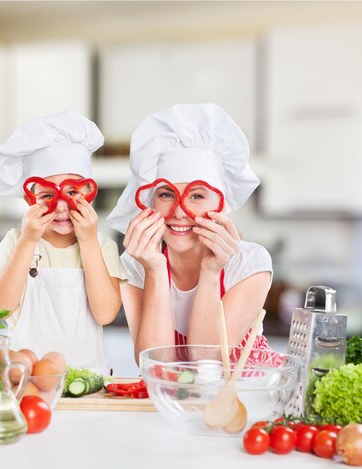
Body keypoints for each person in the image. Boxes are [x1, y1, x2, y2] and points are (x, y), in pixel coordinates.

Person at [107, 103, 272, 363]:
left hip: (243, 397)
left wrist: (211, 271)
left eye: (196, 196)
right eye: (165, 194)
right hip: (170, 399)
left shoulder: (250, 263)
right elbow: (154, 364)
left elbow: (205, 361)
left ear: (220, 204)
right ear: (150, 201)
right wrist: (155, 270)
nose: (179, 211)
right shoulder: (136, 265)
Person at [0, 111, 126, 375]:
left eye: (72, 192)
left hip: (90, 380)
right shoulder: (16, 241)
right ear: (29, 201)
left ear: (89, 193)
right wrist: (28, 241)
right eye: (47, 195)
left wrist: (88, 241)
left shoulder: (102, 246)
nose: (60, 206)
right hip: (27, 381)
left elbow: (105, 314)